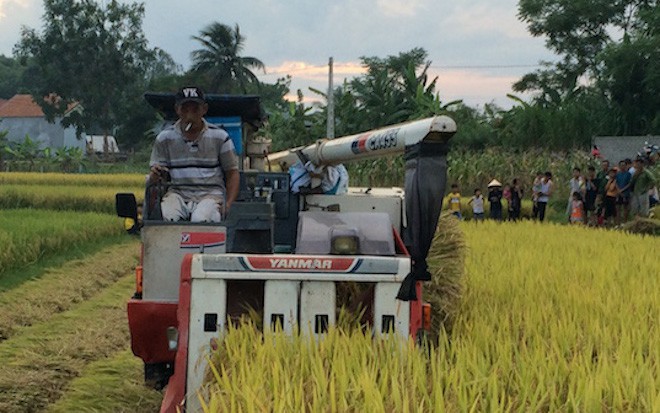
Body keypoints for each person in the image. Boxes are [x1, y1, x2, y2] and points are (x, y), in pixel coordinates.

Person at [150, 86, 240, 222]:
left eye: (195, 110)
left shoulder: (220, 137)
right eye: (185, 110)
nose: (189, 115)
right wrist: (156, 173)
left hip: (210, 195)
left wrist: (228, 204)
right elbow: (157, 174)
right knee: (168, 217)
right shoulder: (165, 138)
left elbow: (232, 173)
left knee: (200, 219)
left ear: (204, 109)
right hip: (178, 193)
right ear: (177, 110)